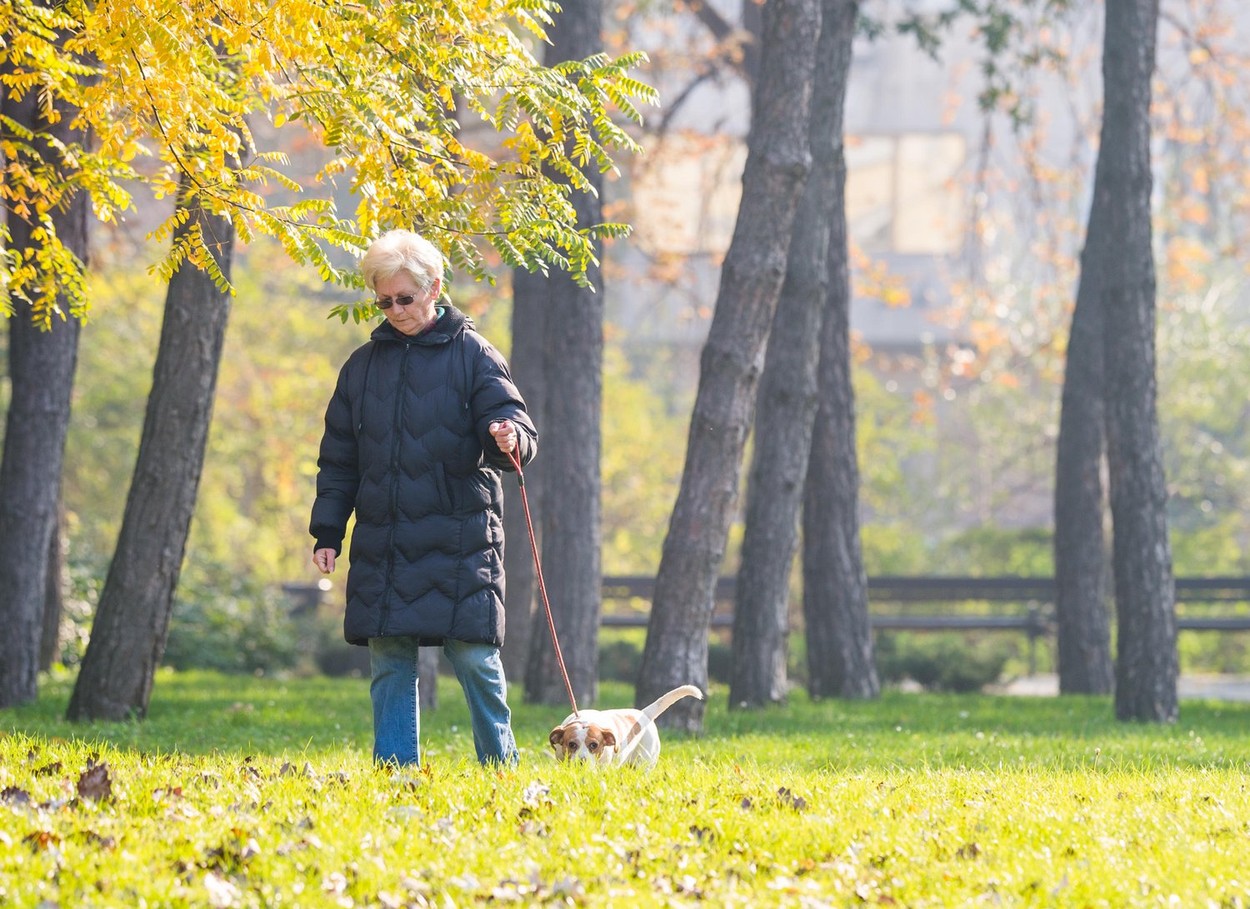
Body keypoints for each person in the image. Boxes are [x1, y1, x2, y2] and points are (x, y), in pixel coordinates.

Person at [309, 228, 536, 768]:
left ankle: (501, 771)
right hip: (385, 540)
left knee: (477, 660)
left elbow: (516, 425)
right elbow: (338, 458)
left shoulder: (475, 355)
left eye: (404, 298)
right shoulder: (361, 368)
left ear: (435, 286)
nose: (394, 310)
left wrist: (509, 437)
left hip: (461, 538)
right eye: (383, 300)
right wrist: (327, 532)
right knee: (390, 661)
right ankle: (395, 774)